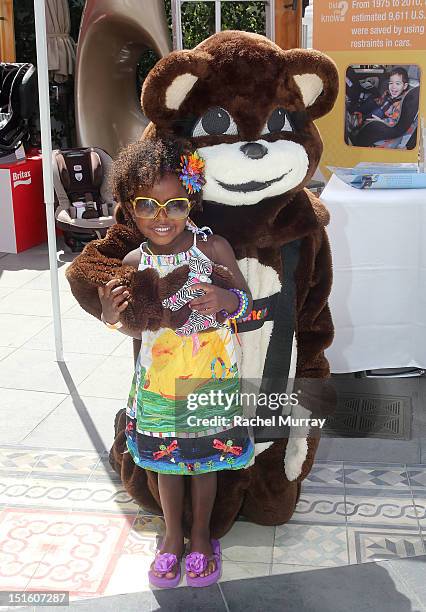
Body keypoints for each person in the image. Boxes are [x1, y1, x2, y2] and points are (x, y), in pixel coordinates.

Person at [98, 137, 254, 588]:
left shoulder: (214, 250)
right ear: (129, 206)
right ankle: (171, 538)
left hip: (208, 383)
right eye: (147, 205)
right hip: (159, 386)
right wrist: (112, 318)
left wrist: (228, 298)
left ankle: (202, 537)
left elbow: (248, 308)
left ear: (192, 202)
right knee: (167, 464)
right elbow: (138, 330)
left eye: (174, 204)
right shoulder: (134, 263)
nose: (161, 217)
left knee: (203, 464)